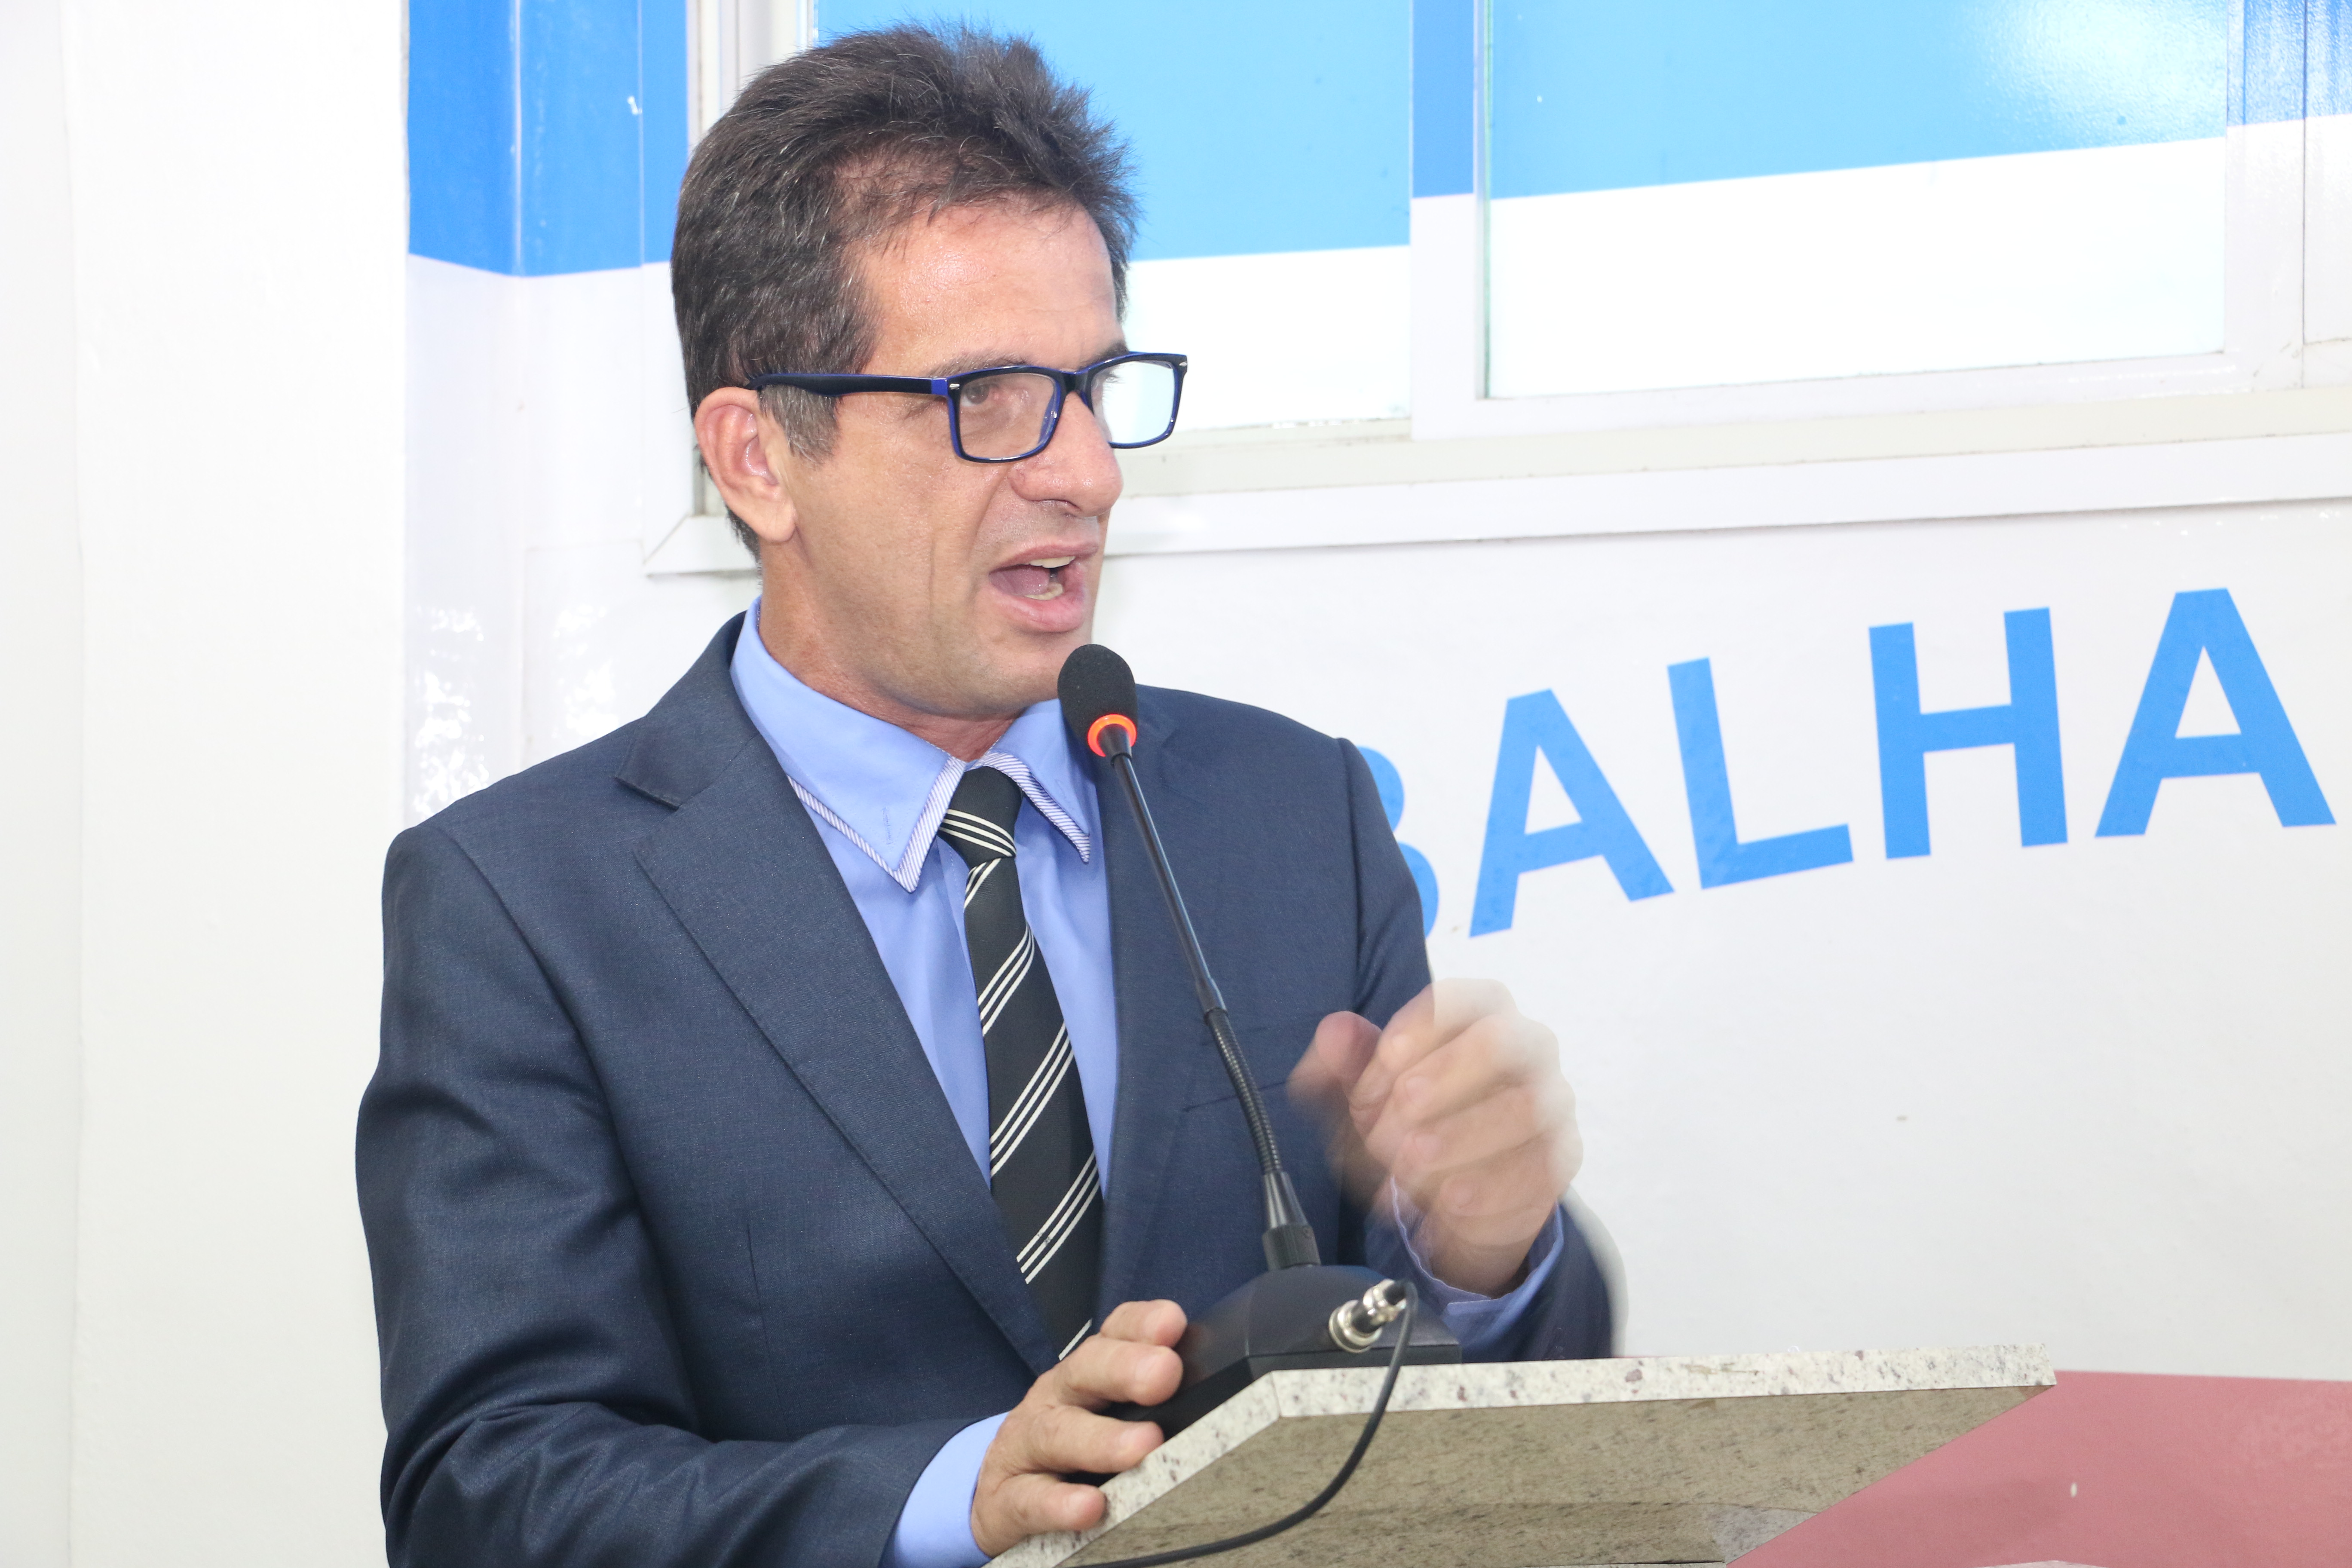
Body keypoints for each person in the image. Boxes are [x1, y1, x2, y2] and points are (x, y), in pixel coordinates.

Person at [357, 23, 1611, 1568]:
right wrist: (944, 1500)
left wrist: (1487, 1255)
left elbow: (1484, 1425)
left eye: (1094, 387)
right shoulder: (526, 905)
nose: (1086, 473)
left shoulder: (1293, 815)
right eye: (993, 396)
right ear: (758, 460)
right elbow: (491, 1495)